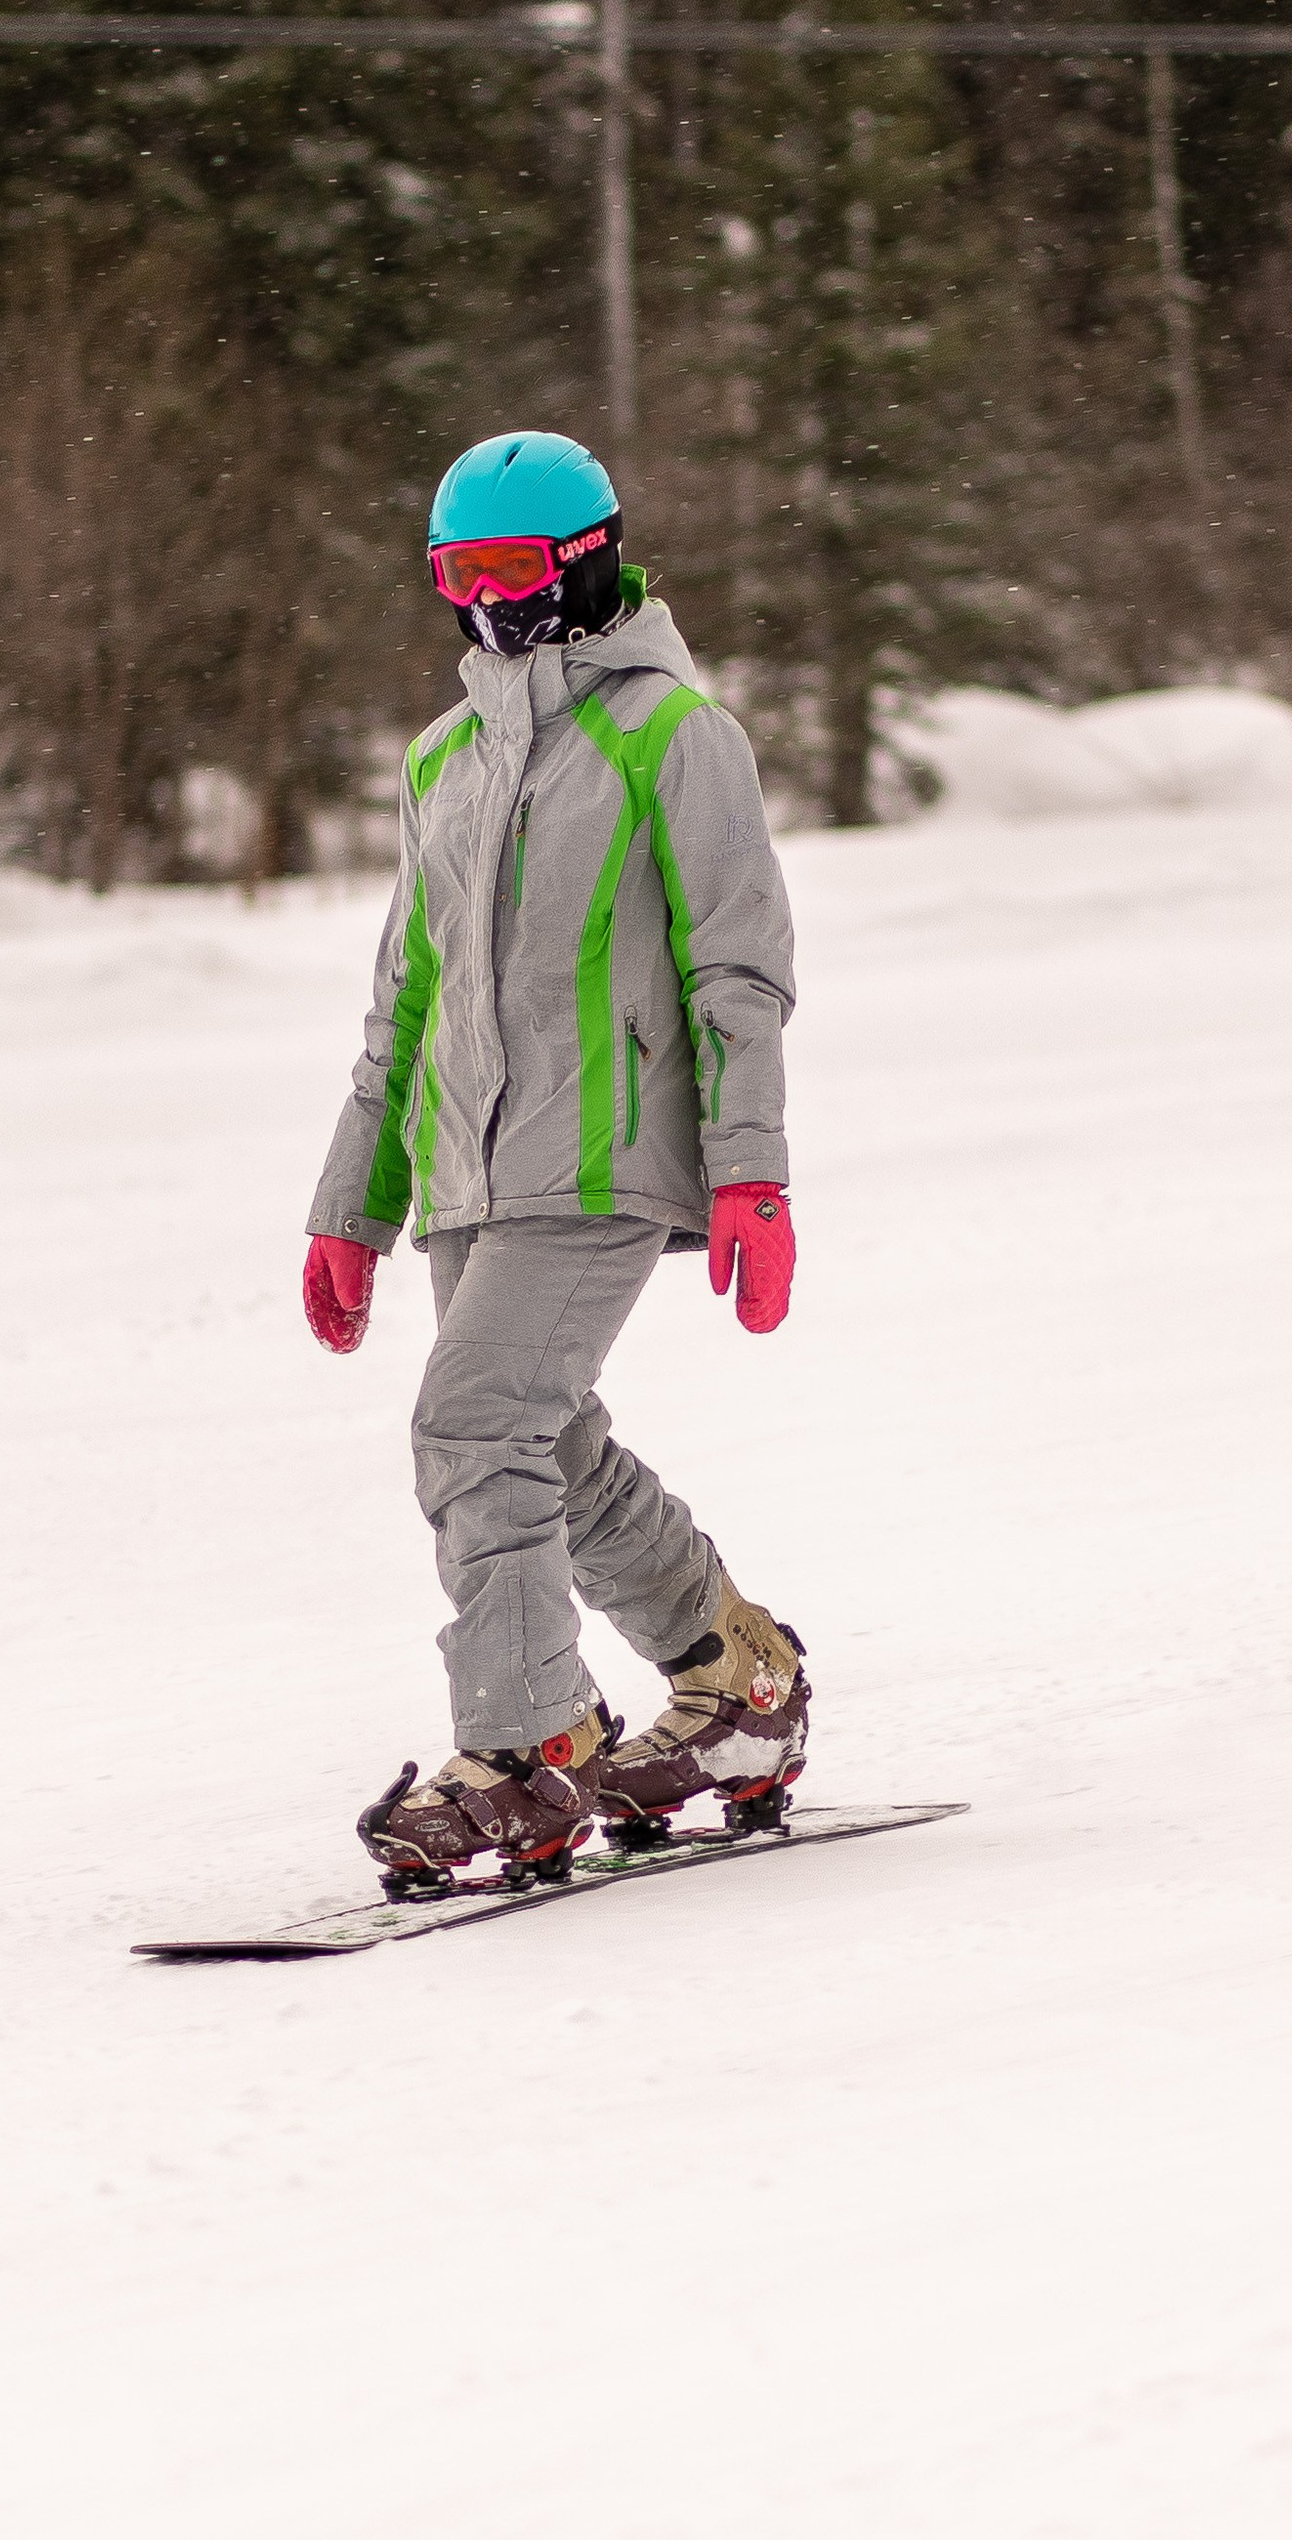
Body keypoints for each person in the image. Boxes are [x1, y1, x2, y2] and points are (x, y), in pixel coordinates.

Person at [304, 426, 808, 1892]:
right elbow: (407, 996)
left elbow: (739, 971)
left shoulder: (674, 736)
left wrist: (752, 1172)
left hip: (607, 1151)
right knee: (548, 1443)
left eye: (513, 571)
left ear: (587, 564)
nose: (486, 605)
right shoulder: (444, 756)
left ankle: (527, 1753)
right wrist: (354, 1202)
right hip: (469, 1160)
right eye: (457, 576)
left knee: (474, 1424)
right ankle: (739, 1683)